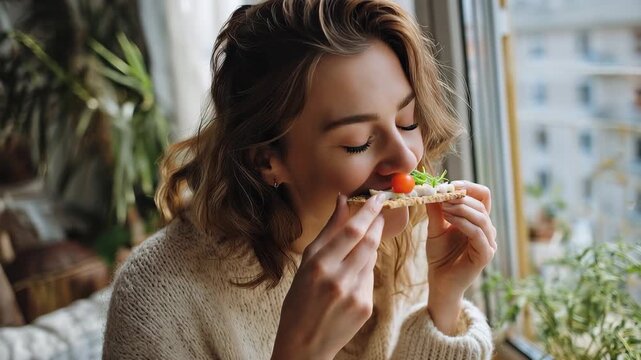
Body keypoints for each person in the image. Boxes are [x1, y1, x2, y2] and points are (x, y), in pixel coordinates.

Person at [102, 0, 497, 359]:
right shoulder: (156, 299)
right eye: (359, 143)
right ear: (266, 161)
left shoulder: (407, 242)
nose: (407, 157)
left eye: (407, 122)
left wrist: (444, 300)